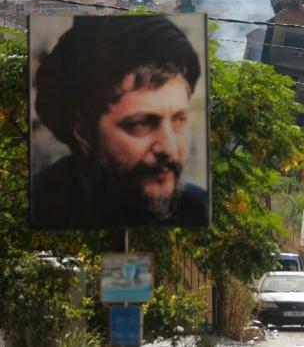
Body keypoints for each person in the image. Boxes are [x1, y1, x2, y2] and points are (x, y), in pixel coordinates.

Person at [30, 15, 208, 229]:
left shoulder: (199, 210)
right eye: (142, 124)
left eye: (179, 119)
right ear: (84, 134)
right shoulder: (41, 208)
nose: (169, 148)